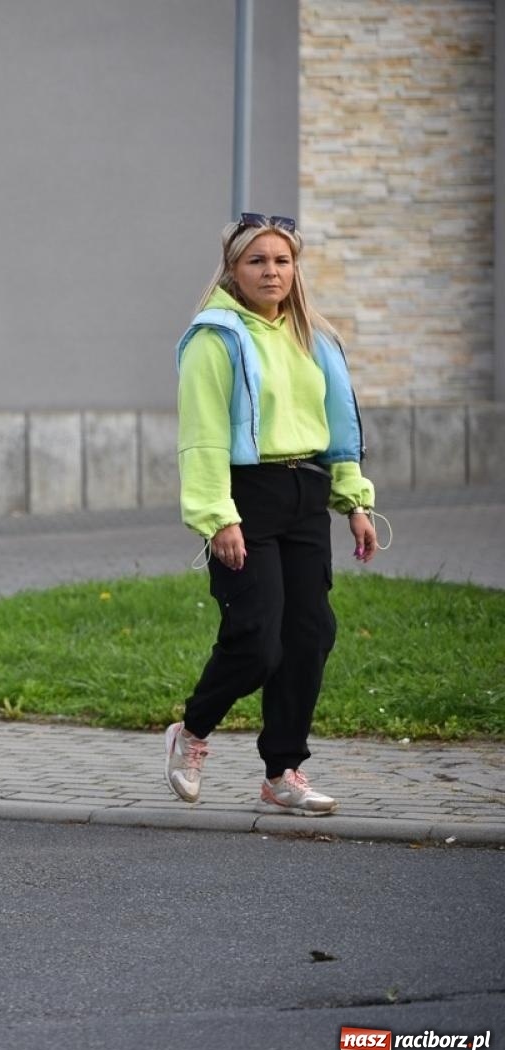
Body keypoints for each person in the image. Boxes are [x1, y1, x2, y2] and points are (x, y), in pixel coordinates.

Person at [165, 212, 379, 816]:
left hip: (307, 494)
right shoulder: (216, 336)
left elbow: (339, 427)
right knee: (257, 641)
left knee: (309, 635)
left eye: (282, 260)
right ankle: (192, 733)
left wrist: (354, 501)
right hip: (245, 497)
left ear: (295, 269)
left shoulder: (314, 337)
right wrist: (218, 516)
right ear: (233, 269)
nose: (272, 271)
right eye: (257, 260)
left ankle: (283, 772)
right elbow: (203, 434)